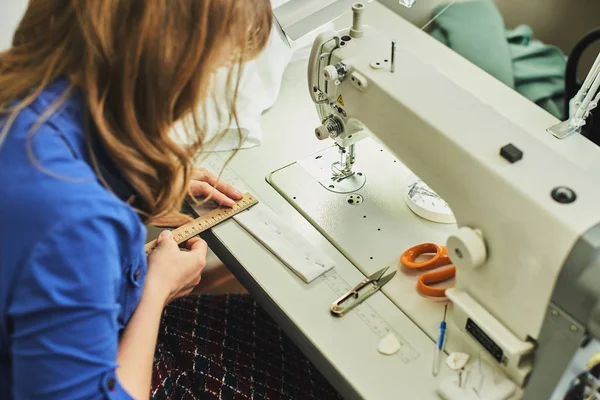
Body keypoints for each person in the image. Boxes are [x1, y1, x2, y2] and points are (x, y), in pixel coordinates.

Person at [0, 1, 341, 399]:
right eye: (211, 70)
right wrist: (155, 291)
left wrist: (135, 178)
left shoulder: (23, 92)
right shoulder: (74, 216)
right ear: (169, 63)